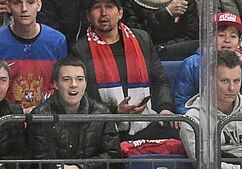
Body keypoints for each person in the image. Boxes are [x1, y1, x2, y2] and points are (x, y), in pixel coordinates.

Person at [28, 55, 131, 169]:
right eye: (66, 79)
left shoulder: (100, 112)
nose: (73, 85)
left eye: (79, 79)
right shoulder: (40, 115)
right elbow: (40, 160)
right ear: (56, 84)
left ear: (85, 83)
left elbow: (112, 154)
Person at [74, 0, 175, 137]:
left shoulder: (142, 40)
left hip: (147, 123)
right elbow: (83, 96)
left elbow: (160, 80)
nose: (104, 14)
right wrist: (115, 111)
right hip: (105, 129)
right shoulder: (80, 49)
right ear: (88, 16)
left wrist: (165, 108)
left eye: (109, 7)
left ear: (120, 12)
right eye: (97, 8)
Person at [0, 0, 68, 110]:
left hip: (47, 117)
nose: (24, 9)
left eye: (30, 2)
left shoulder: (57, 41)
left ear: (39, 5)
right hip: (6, 118)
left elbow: (62, 85)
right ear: (8, 6)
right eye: (17, 3)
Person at [173, 10, 242, 113]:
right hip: (197, 120)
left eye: (233, 36)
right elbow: (181, 103)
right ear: (210, 39)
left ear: (239, 42)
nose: (227, 40)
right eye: (221, 35)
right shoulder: (191, 64)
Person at [126, 0, 199, 59]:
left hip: (177, 52)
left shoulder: (185, 2)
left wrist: (163, 48)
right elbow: (134, 35)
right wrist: (166, 13)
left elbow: (192, 35)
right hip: (143, 54)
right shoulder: (129, 3)